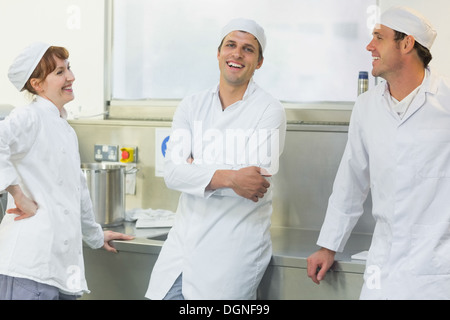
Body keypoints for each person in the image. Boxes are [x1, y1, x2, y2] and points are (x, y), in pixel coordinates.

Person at [306, 6, 450, 299]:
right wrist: (328, 245)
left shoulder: (445, 104)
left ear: (407, 43)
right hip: (381, 269)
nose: (369, 46)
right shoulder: (367, 106)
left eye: (378, 37)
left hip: (438, 271)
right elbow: (352, 179)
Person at [145, 18, 286, 300]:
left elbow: (253, 184)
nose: (237, 54)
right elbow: (173, 173)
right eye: (231, 45)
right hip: (180, 252)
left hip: (230, 256)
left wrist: (196, 169)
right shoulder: (192, 105)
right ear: (219, 53)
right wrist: (231, 177)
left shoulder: (269, 110)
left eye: (248, 49)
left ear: (258, 62)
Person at [0, 42, 134, 300]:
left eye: (68, 68)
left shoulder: (65, 129)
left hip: (59, 270)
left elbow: (77, 193)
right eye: (59, 72)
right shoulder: (29, 116)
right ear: (37, 84)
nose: (71, 77)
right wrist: (18, 195)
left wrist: (96, 236)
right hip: (29, 267)